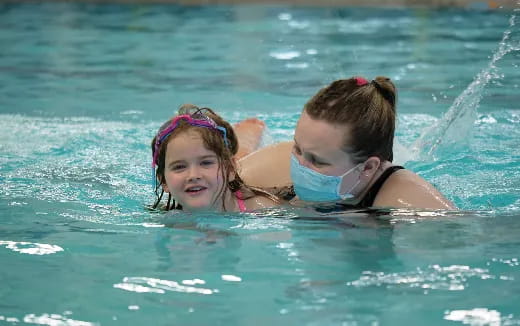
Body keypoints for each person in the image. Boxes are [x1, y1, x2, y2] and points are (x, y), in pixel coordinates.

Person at [238, 76, 456, 210]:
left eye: (317, 161)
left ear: (368, 167)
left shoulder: (410, 203)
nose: (299, 165)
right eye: (298, 148)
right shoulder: (285, 159)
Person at [151, 104, 278, 212]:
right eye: (179, 167)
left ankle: (249, 132)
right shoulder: (163, 218)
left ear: (230, 168)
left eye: (206, 162)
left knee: (244, 158)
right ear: (164, 181)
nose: (193, 175)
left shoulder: (261, 208)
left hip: (256, 176)